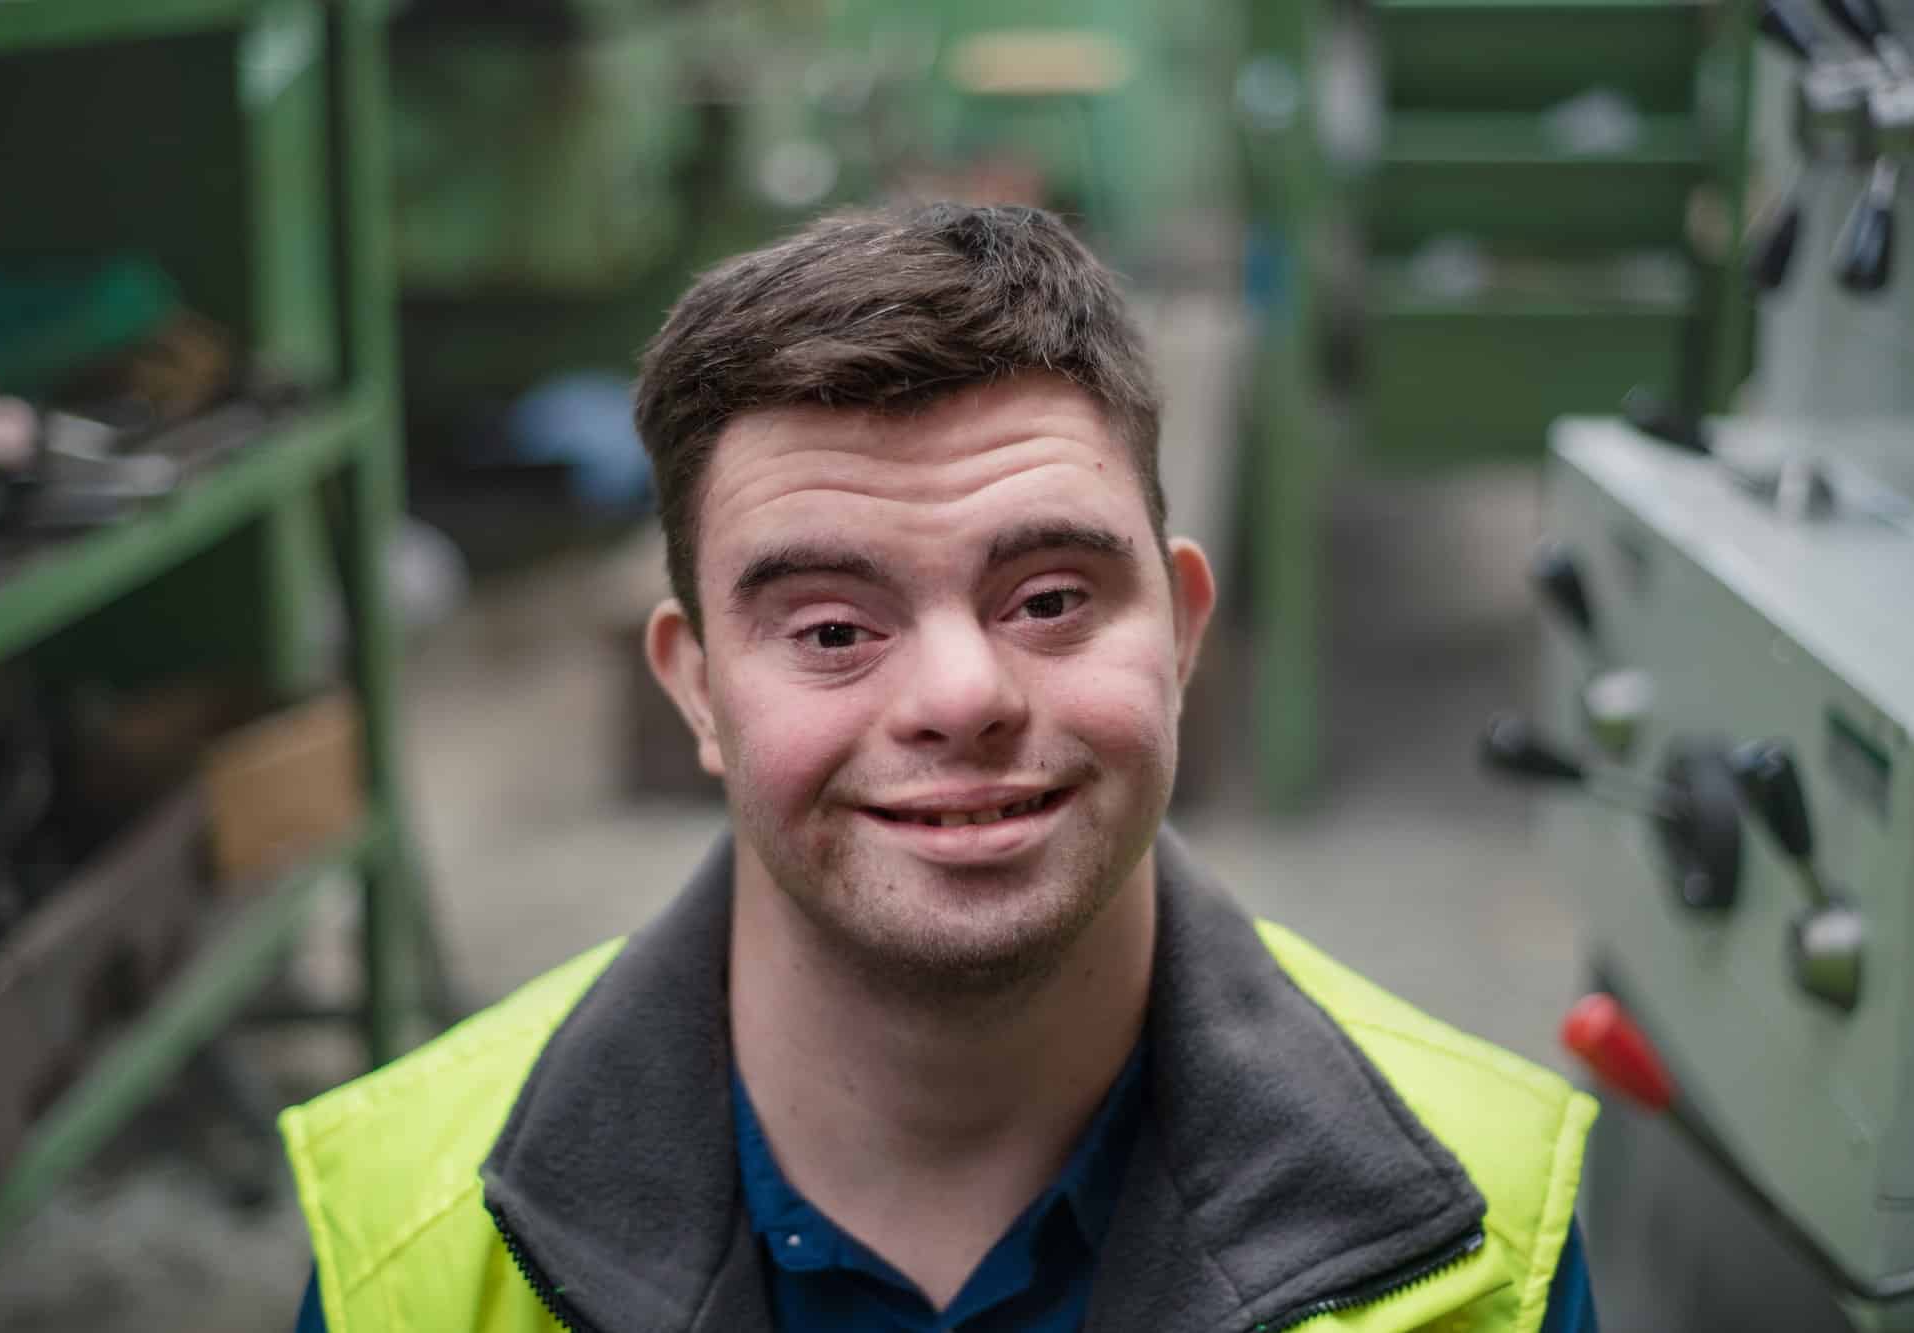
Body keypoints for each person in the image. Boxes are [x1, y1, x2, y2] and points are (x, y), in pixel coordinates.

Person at [282, 204, 1600, 1332]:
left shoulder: (1476, 1237)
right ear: (694, 686)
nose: (962, 695)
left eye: (1048, 599)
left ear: (1184, 630)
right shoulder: (417, 1241)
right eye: (834, 629)